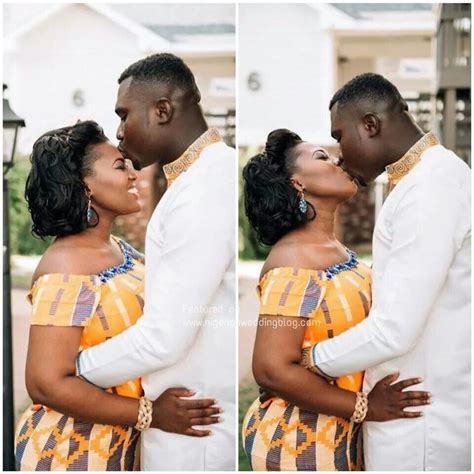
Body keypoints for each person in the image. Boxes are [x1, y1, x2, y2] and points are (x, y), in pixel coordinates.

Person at [14, 121, 221, 471]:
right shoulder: (67, 265)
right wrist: (151, 414)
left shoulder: (119, 249)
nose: (133, 174)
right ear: (84, 185)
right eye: (119, 165)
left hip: (117, 448)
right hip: (69, 452)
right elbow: (45, 383)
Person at [75, 54, 236, 470]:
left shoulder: (202, 187)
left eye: (124, 114)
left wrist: (72, 374)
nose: (119, 130)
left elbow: (165, 335)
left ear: (162, 110)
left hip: (193, 430)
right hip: (183, 419)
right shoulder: (198, 177)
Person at [304, 73, 471, 470]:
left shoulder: (431, 186)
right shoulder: (420, 178)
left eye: (340, 136)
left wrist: (306, 362)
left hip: (422, 422)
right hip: (411, 408)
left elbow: (395, 328)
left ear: (371, 125)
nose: (340, 153)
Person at [241, 128, 431, 471]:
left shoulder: (336, 249)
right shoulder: (292, 261)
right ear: (297, 183)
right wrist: (366, 407)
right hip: (300, 442)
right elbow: (270, 368)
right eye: (321, 157)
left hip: (343, 437)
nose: (337, 159)